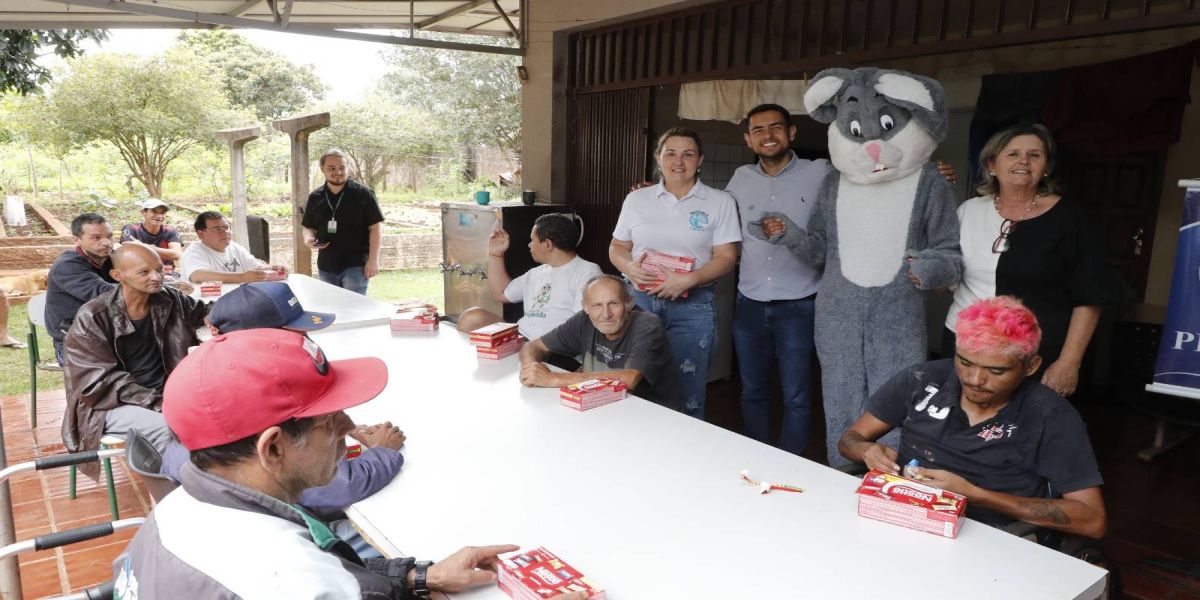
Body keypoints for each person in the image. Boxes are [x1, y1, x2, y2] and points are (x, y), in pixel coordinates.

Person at [114, 327, 524, 599]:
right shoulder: (294, 582)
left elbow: (335, 575)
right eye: (331, 421)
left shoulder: (178, 509)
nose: (349, 426)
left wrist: (418, 577)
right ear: (272, 448)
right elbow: (312, 580)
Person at [163, 281, 404, 560]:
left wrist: (329, 433)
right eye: (293, 333)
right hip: (296, 533)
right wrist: (383, 453)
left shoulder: (201, 383)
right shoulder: (246, 406)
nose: (306, 340)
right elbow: (335, 488)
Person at [838, 296, 1106, 539]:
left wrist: (976, 495)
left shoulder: (1051, 415)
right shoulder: (923, 380)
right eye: (965, 363)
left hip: (995, 538)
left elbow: (1092, 520)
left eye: (996, 371)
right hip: (905, 517)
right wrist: (866, 451)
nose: (974, 380)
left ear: (1031, 366)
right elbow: (850, 439)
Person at [945, 123, 1124, 397]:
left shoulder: (1070, 218)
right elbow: (946, 275)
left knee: (1023, 434)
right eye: (1013, 153)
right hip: (966, 348)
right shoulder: (968, 211)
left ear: (1047, 167)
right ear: (992, 164)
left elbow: (1090, 296)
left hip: (1033, 355)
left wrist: (1068, 362)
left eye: (1034, 155)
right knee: (959, 428)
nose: (1023, 161)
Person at [609, 127, 741, 419]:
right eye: (670, 153)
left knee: (688, 391)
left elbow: (726, 258)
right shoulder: (637, 199)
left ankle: (685, 458)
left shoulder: (720, 202)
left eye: (688, 154)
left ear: (700, 160)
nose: (678, 161)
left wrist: (690, 278)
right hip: (638, 305)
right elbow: (617, 247)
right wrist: (629, 267)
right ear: (658, 158)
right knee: (633, 382)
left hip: (692, 307)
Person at [726, 103, 828, 456]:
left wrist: (932, 173)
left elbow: (874, 176)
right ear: (748, 140)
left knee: (797, 395)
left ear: (792, 133)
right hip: (749, 304)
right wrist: (653, 191)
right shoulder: (739, 179)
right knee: (752, 390)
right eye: (758, 130)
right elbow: (709, 215)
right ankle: (758, 456)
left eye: (776, 128)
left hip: (800, 305)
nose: (768, 136)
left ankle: (791, 461)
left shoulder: (821, 172)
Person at [62, 245, 211, 478]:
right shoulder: (93, 318)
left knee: (223, 406)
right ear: (117, 276)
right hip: (110, 404)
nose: (156, 277)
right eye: (144, 272)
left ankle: (214, 479)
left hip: (164, 392)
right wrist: (160, 402)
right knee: (167, 429)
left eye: (159, 269)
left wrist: (230, 313)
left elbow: (204, 311)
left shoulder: (168, 299)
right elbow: (98, 385)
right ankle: (181, 490)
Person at [519, 274, 678, 409]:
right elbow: (532, 346)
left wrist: (553, 378)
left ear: (628, 303)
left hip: (649, 414)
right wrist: (531, 369)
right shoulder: (583, 320)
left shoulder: (648, 324)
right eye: (597, 305)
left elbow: (630, 379)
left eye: (613, 303)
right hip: (601, 405)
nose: (606, 314)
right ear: (586, 308)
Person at [467, 213, 601, 340]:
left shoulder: (587, 272)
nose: (529, 245)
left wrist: (535, 347)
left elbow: (584, 324)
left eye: (532, 240)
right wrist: (495, 254)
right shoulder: (536, 272)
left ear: (547, 244)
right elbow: (500, 293)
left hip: (552, 347)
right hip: (521, 336)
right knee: (472, 318)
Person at [302, 148, 385, 295]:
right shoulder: (315, 196)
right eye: (332, 168)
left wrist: (373, 260)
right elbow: (308, 227)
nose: (338, 172)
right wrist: (308, 239)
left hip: (356, 264)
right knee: (331, 307)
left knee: (354, 309)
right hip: (326, 265)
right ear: (323, 169)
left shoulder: (363, 193)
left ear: (348, 168)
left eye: (342, 168)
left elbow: (375, 228)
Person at [45, 213, 117, 363]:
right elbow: (105, 293)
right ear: (77, 240)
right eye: (96, 237)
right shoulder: (67, 265)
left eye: (109, 236)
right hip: (73, 343)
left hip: (109, 336)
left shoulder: (110, 260)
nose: (106, 242)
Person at [181, 211, 287, 284]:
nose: (225, 233)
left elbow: (256, 267)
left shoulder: (235, 247)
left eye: (226, 228)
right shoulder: (194, 252)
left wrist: (273, 268)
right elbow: (197, 275)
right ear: (200, 234)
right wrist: (242, 277)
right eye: (217, 229)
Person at [120, 198, 183, 271]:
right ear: (143, 212)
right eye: (154, 212)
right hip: (140, 273)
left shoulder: (170, 230)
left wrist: (143, 246)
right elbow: (127, 247)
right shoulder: (132, 228)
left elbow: (177, 254)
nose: (159, 216)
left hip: (167, 273)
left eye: (162, 213)